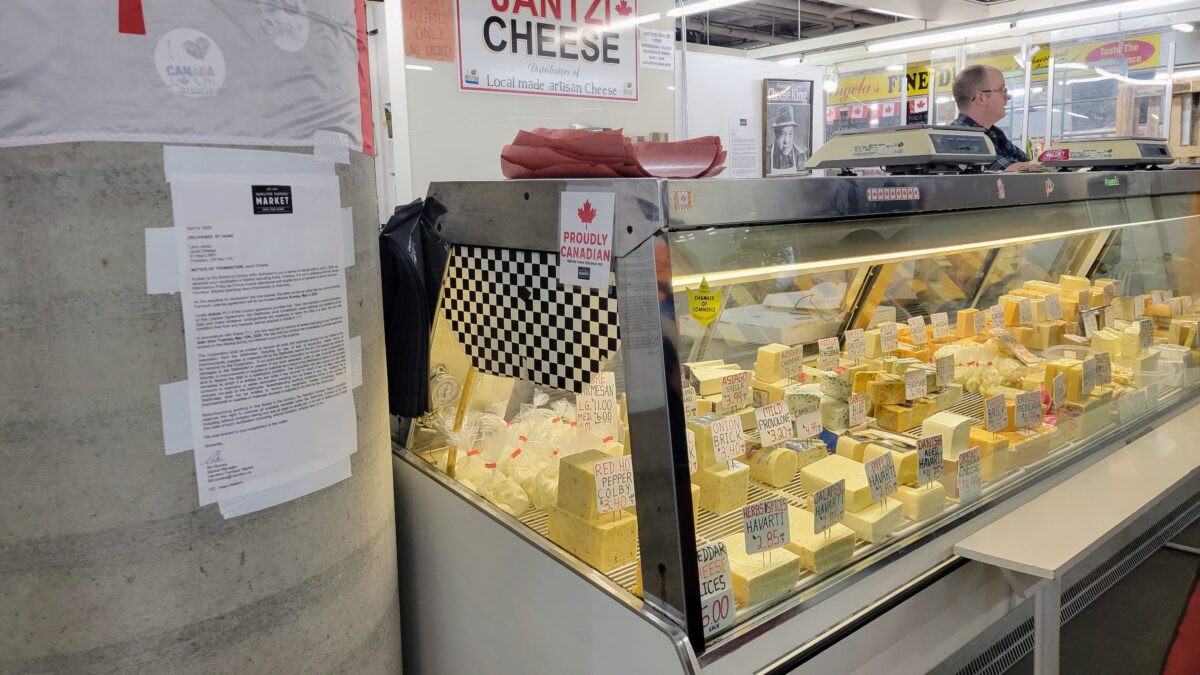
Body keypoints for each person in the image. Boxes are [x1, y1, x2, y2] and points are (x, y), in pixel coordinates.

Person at [951, 64, 1031, 172]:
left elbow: (1027, 163)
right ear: (981, 98)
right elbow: (1010, 172)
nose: (1007, 96)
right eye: (1002, 90)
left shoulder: (994, 134)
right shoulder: (960, 138)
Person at [768, 106, 807, 175]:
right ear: (776, 134)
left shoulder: (800, 155)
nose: (786, 141)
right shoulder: (767, 155)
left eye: (790, 134)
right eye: (783, 134)